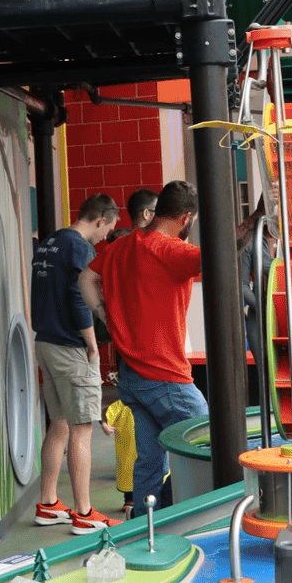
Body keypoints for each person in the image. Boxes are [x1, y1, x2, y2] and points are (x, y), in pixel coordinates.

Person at [83, 179, 203, 516]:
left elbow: (85, 279)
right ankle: (166, 510)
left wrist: (105, 314)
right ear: (186, 217)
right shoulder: (170, 250)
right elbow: (223, 253)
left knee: (149, 460)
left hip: (132, 375)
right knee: (211, 440)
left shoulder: (121, 247)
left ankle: (146, 521)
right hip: (164, 374)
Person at [30, 194, 121, 534]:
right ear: (100, 219)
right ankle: (84, 512)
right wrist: (93, 344)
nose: (104, 237)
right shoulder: (79, 247)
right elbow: (79, 297)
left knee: (60, 425)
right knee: (83, 429)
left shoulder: (51, 241)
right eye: (107, 229)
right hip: (70, 347)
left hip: (45, 343)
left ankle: (48, 503)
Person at [236, 202, 272, 377]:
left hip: (291, 317)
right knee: (266, 375)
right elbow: (241, 285)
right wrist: (263, 308)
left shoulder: (290, 239)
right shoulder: (250, 241)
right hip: (260, 318)